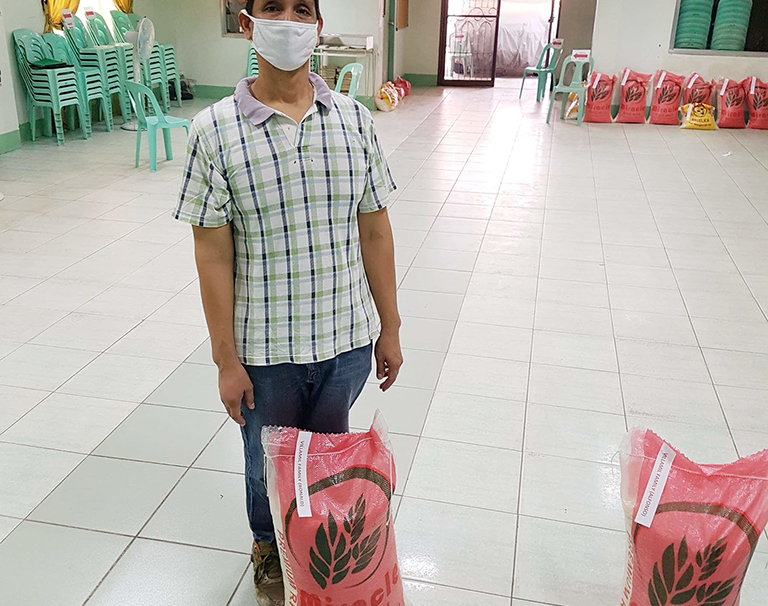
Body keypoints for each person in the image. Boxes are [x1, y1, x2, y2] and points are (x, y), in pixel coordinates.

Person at [173, 1, 402, 604]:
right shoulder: (213, 131)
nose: (289, 21)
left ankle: (317, 543)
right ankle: (267, 543)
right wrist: (225, 360)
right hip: (265, 351)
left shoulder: (354, 121)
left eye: (303, 9)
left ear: (318, 26)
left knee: (326, 461)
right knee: (265, 462)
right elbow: (212, 254)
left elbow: (375, 231)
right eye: (273, 7)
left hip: (344, 342)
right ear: (247, 23)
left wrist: (390, 327)